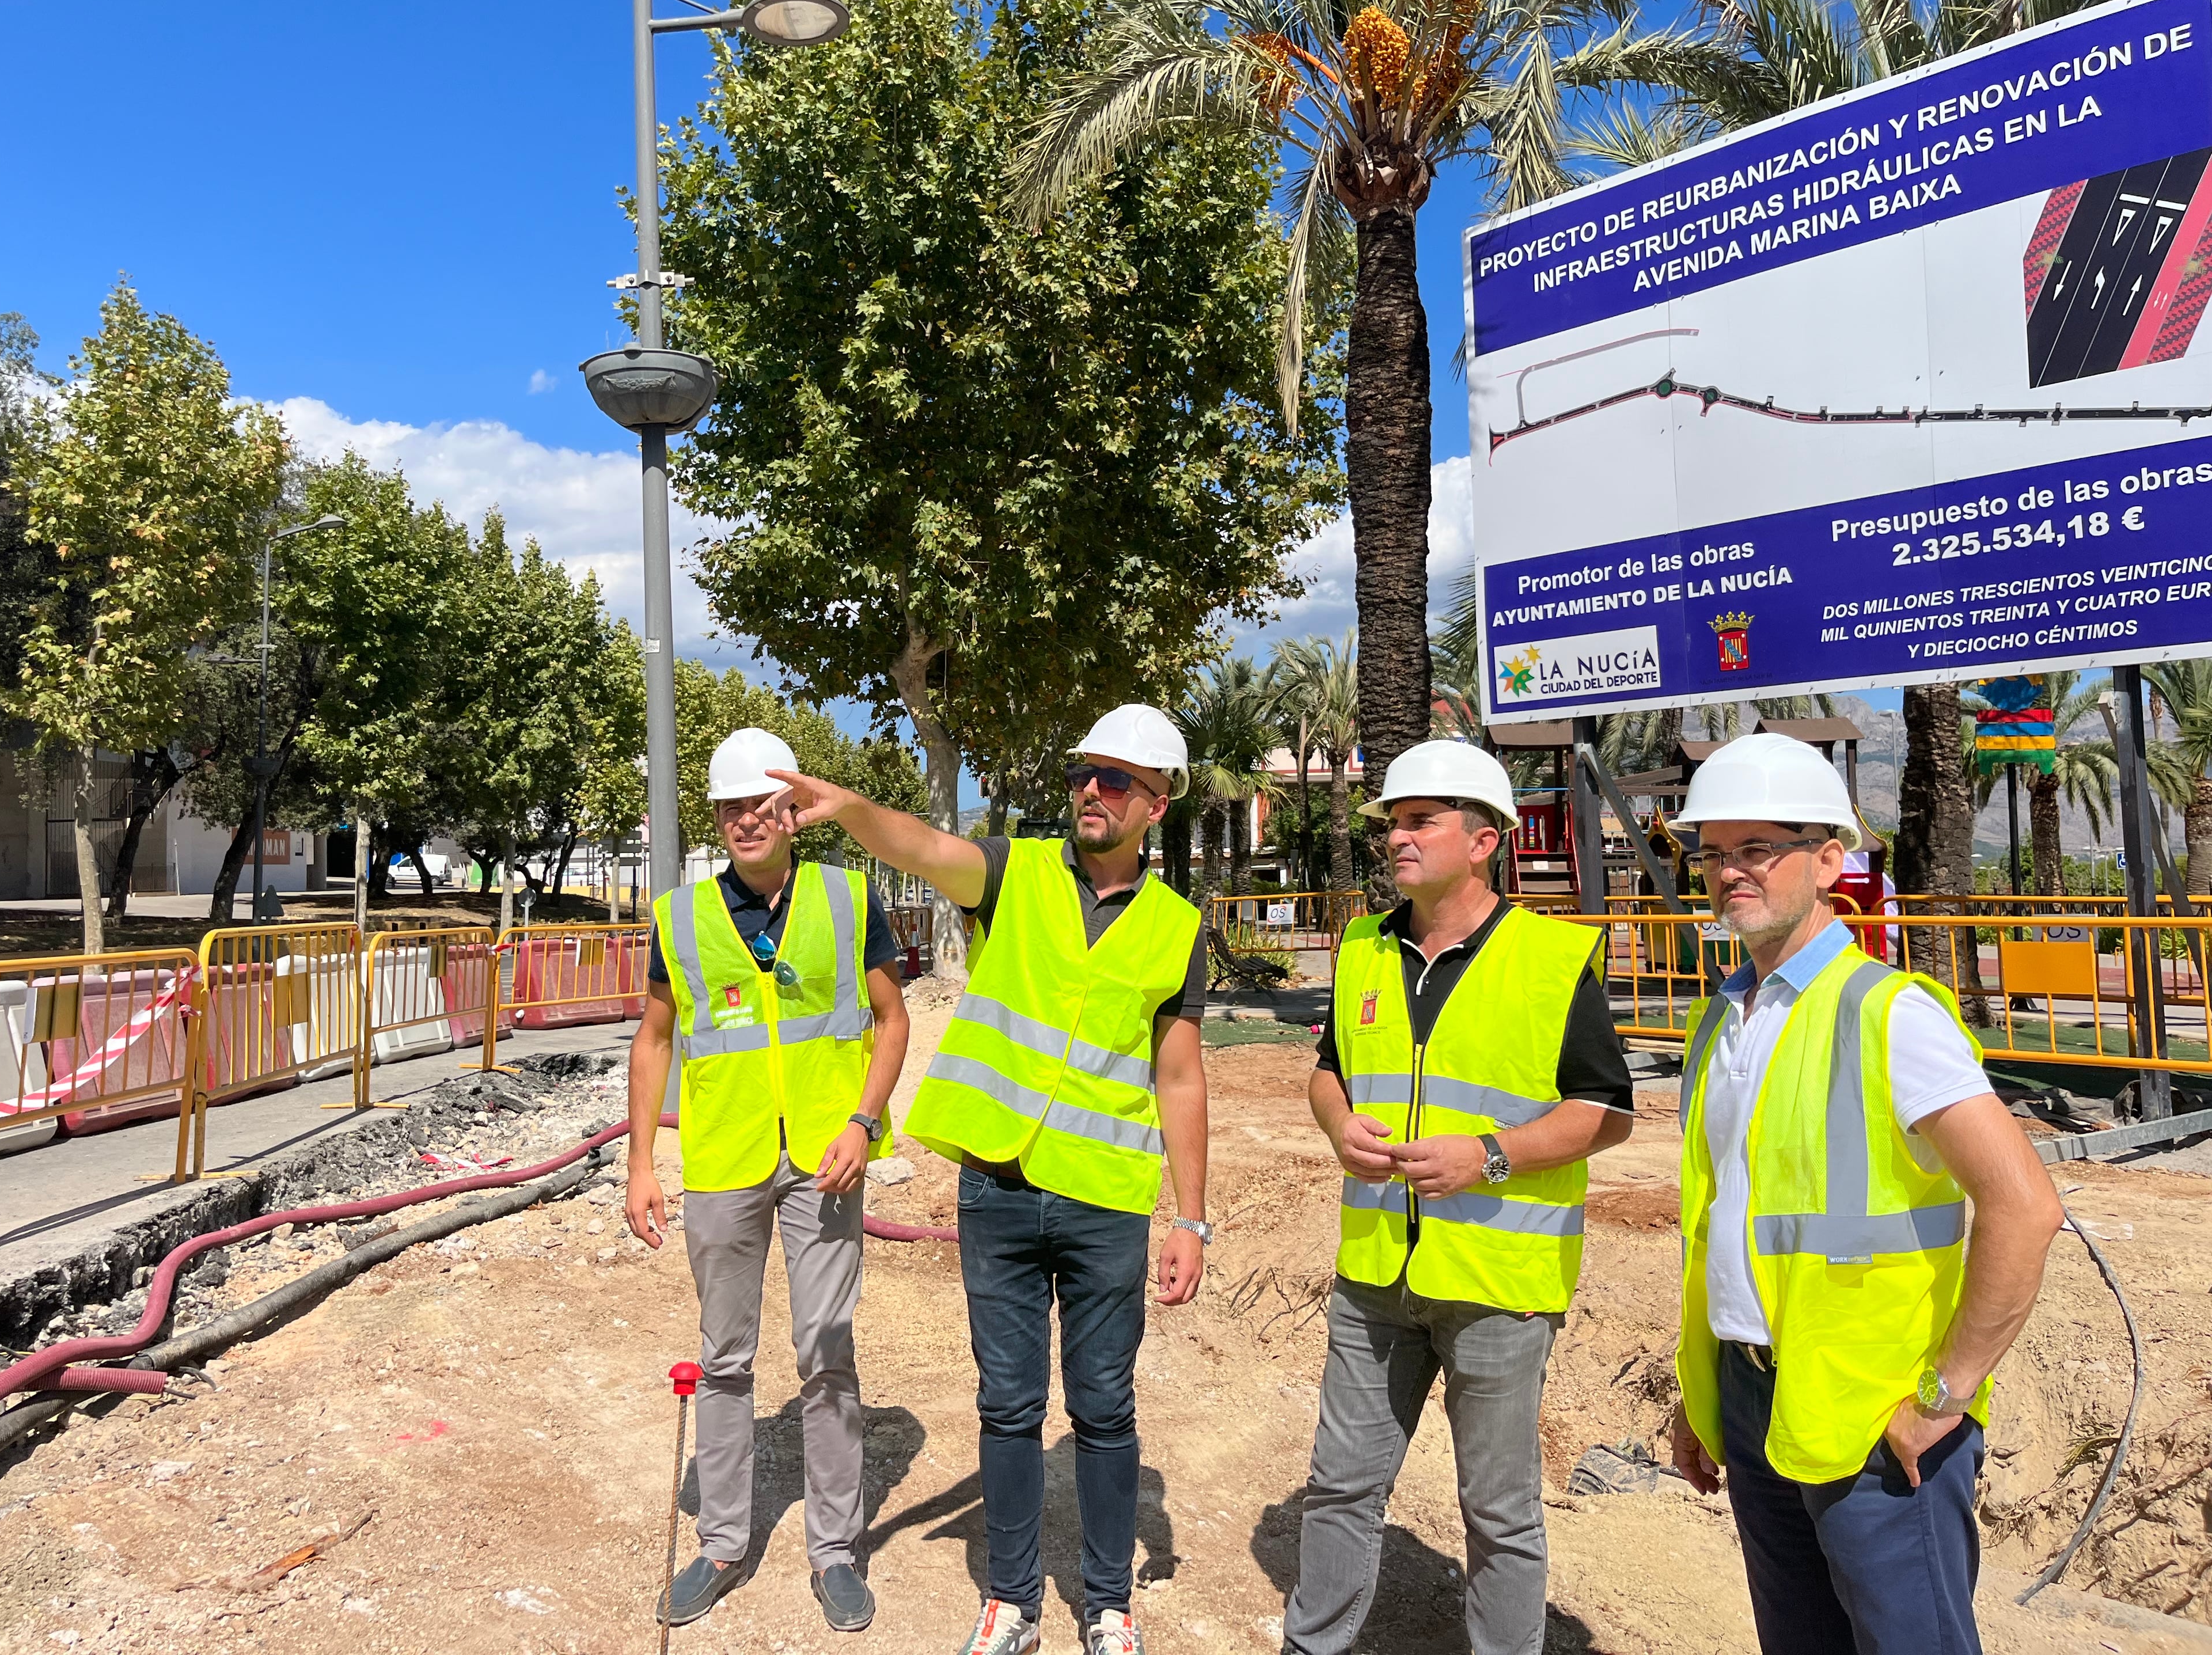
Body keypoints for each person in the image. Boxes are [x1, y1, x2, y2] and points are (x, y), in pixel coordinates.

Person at [762, 704, 1209, 1655]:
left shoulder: (1178, 928)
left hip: (1105, 1201)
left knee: (1104, 1408)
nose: (1093, 789)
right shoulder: (1016, 872)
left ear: (1158, 805)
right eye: (1085, 772)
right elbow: (924, 848)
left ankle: (1107, 1605)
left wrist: (1193, 1220)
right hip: (999, 1192)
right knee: (1007, 1405)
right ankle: (1012, 1602)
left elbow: (1179, 1074)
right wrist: (848, 809)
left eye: (1117, 779)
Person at [1666, 732, 2065, 1655]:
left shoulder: (1891, 1014)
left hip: (1883, 1426)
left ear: (1830, 860)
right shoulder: (1720, 1022)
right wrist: (1703, 1392)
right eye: (1714, 852)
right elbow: (1722, 1224)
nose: (1729, 872)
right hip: (1757, 1399)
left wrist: (1944, 1394)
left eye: (1757, 848)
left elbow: (2025, 1207)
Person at [1285, 739, 1634, 1655]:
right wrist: (1337, 1125)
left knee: (1498, 1513)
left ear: (1484, 841)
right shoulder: (1363, 947)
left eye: (1417, 822)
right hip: (1374, 1277)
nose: (1395, 839)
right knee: (1340, 1488)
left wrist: (1488, 1156)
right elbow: (1329, 1073)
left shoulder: (1554, 957)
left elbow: (1605, 1112)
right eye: (1392, 824)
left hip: (1499, 1283)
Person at [624, 726, 913, 1635]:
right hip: (722, 1161)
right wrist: (640, 1165)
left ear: (793, 811)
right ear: (716, 816)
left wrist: (864, 1122)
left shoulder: (846, 895)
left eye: (762, 802)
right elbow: (655, 1039)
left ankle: (833, 1551)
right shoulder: (680, 917)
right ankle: (721, 1544)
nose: (746, 818)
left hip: (825, 1162)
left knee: (826, 1352)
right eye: (730, 806)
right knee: (725, 1357)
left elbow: (890, 1018)